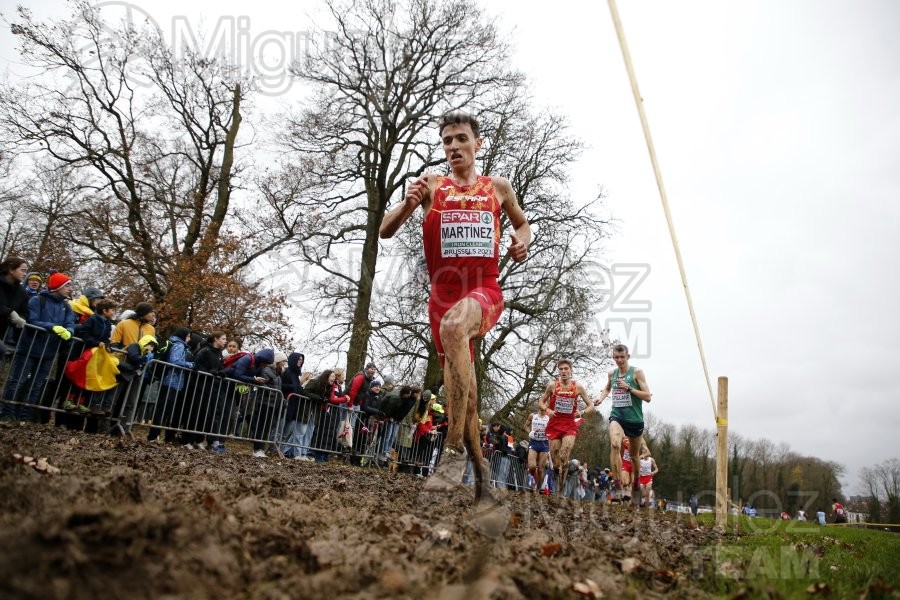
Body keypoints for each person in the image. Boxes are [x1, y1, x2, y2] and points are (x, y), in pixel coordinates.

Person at [379, 111, 531, 501]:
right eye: (447, 141)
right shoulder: (430, 185)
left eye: (461, 138)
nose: (453, 147)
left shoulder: (497, 187)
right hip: (441, 297)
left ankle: (450, 454)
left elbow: (522, 225)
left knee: (454, 327)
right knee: (467, 394)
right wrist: (409, 204)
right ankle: (482, 478)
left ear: (477, 144)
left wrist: (520, 243)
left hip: (483, 290)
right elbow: (385, 230)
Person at [0, 272, 75, 421]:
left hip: (49, 353)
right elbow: (32, 320)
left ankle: (25, 416)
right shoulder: (37, 300)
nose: (70, 289)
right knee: (17, 381)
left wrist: (70, 332)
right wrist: (52, 327)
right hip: (28, 349)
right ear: (57, 286)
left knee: (37, 385)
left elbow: (70, 324)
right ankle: (7, 413)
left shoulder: (66, 306)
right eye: (67, 285)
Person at [594, 344, 652, 505]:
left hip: (634, 420)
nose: (619, 360)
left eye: (622, 357)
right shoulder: (612, 374)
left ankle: (636, 483)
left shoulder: (637, 373)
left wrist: (629, 388)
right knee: (614, 444)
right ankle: (618, 485)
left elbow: (648, 397)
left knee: (633, 456)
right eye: (616, 357)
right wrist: (601, 397)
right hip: (617, 416)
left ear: (628, 357)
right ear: (613, 357)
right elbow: (606, 389)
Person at [538, 358, 596, 495]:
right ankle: (557, 481)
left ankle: (560, 491)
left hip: (569, 425)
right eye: (561, 369)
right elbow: (541, 401)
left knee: (565, 454)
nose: (563, 371)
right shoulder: (552, 386)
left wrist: (581, 412)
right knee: (556, 462)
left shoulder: (578, 387)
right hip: (555, 425)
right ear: (559, 371)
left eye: (566, 369)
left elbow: (591, 405)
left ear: (571, 371)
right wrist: (547, 410)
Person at [0, 256, 29, 358]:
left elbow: (24, 312)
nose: (25, 274)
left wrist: (21, 319)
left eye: (26, 271)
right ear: (11, 269)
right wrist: (10, 312)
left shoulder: (22, 293)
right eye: (22, 270)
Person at [524, 405, 550, 492]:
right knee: (532, 466)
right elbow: (526, 426)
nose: (543, 406)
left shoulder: (549, 417)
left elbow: (554, 429)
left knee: (541, 469)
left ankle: (538, 489)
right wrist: (529, 432)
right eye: (542, 403)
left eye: (545, 404)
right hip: (534, 442)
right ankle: (533, 478)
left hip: (544, 443)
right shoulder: (532, 415)